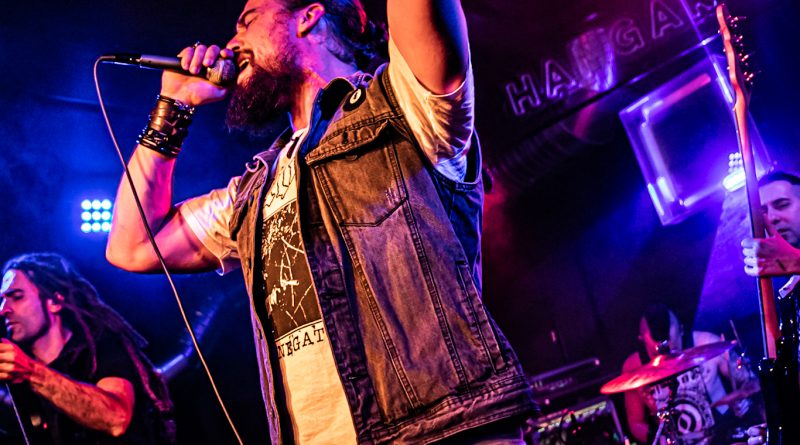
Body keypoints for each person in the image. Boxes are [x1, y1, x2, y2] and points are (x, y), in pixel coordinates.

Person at [105, 0, 536, 443]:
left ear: (309, 15)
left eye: (248, 22)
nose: (232, 42)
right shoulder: (252, 191)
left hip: (443, 430)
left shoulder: (401, 106)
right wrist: (174, 105)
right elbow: (132, 246)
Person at [0, 252, 174, 444]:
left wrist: (31, 372)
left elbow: (116, 418)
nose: (3, 309)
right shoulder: (14, 380)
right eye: (2, 300)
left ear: (55, 302)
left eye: (16, 297)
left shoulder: (101, 347)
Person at [621, 304, 748, 445]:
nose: (666, 359)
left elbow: (749, 382)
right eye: (657, 353)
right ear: (642, 340)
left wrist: (743, 401)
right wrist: (657, 438)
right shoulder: (633, 368)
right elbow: (635, 423)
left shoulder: (707, 342)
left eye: (672, 349)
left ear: (681, 330)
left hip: (723, 437)